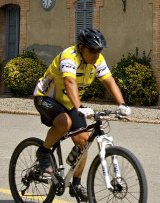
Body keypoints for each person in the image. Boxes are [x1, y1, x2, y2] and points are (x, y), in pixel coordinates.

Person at [33, 28, 130, 202]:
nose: (96, 54)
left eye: (99, 50)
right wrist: (80, 107)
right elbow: (70, 81)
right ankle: (43, 152)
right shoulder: (69, 56)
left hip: (69, 102)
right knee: (64, 122)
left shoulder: (97, 60)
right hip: (46, 97)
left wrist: (122, 104)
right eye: (92, 50)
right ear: (81, 47)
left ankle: (76, 184)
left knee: (84, 140)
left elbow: (109, 81)